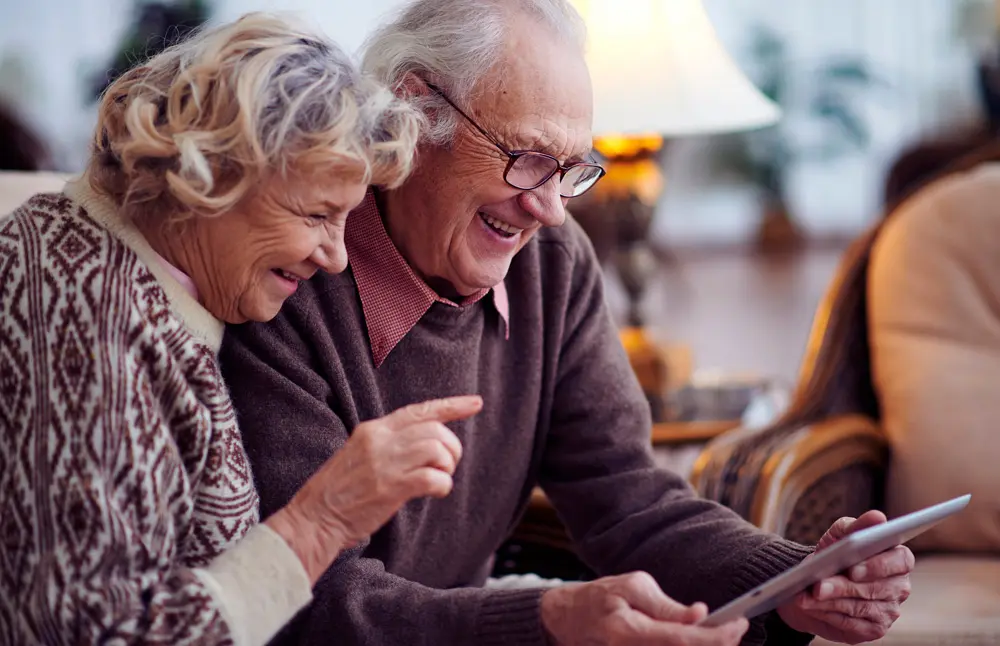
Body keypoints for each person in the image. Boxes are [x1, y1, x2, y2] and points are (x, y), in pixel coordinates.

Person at [220, 1, 914, 645]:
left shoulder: (550, 262)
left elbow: (630, 502)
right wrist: (546, 621)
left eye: (571, 170)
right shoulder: (286, 280)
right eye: (527, 159)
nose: (549, 208)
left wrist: (795, 580)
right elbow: (309, 605)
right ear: (415, 111)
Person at [0, 13, 482, 646]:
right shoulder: (81, 314)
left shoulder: (139, 280)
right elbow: (96, 633)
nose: (334, 256)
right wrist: (322, 520)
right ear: (209, 176)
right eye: (316, 214)